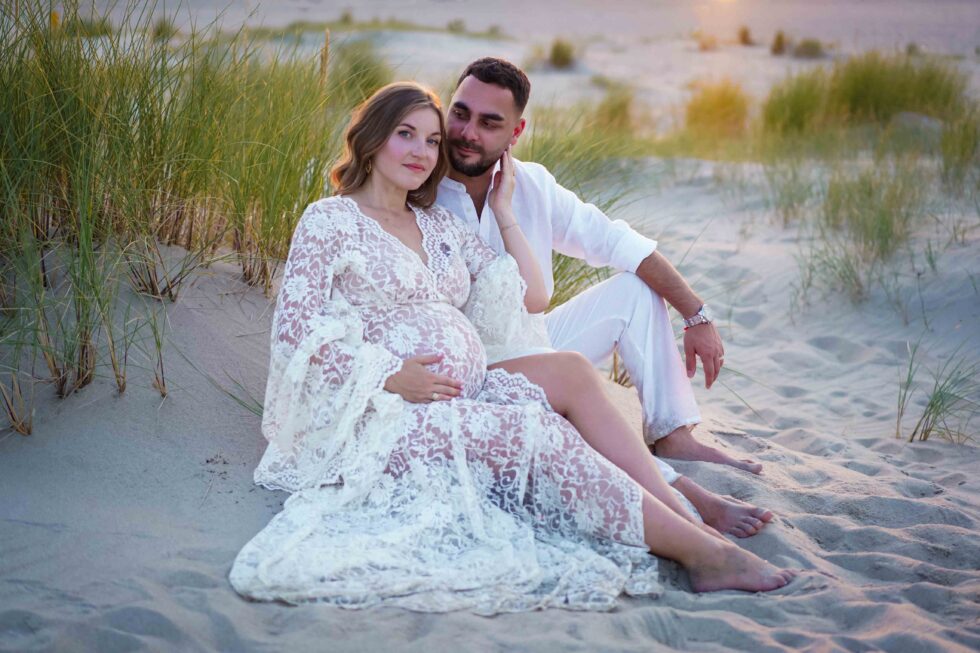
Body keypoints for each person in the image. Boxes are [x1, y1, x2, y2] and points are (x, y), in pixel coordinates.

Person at [230, 82, 795, 613]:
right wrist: (389, 375)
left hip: (462, 391)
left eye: (431, 140)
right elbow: (295, 333)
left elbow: (533, 295)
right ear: (372, 137)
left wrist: (504, 213)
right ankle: (704, 555)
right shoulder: (330, 220)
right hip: (386, 411)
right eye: (406, 134)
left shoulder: (437, 226)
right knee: (538, 431)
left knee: (571, 371)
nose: (422, 152)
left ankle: (686, 521)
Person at [435, 58, 764, 479]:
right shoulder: (418, 183)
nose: (467, 132)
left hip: (534, 346)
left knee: (635, 290)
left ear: (516, 132)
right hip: (462, 372)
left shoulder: (533, 186)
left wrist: (696, 314)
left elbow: (618, 243)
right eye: (460, 113)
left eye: (489, 123)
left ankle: (673, 435)